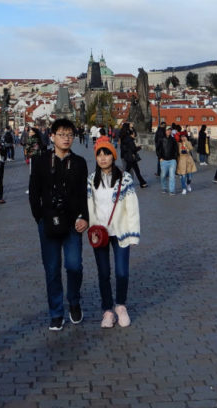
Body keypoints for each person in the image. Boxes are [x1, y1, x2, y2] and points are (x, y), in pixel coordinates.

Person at [29, 117, 89, 330]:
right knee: (52, 269)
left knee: (74, 266)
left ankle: (73, 301)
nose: (66, 138)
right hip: (48, 223)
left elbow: (84, 194)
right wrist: (40, 218)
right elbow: (34, 193)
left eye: (70, 135)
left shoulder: (80, 162)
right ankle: (56, 312)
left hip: (73, 222)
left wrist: (84, 217)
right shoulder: (40, 161)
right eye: (62, 135)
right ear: (52, 136)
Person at [87, 136, 140, 328]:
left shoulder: (124, 178)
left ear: (113, 156)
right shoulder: (92, 180)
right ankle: (107, 310)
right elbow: (89, 206)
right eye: (99, 154)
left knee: (122, 272)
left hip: (120, 232)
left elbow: (132, 207)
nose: (103, 158)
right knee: (103, 273)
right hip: (100, 233)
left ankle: (121, 306)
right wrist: (91, 227)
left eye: (106, 154)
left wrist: (133, 233)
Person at [119, 122, 147, 188]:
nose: (134, 134)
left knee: (129, 170)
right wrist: (140, 147)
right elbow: (133, 149)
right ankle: (142, 183)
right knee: (134, 171)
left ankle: (142, 182)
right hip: (131, 157)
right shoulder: (129, 139)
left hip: (127, 156)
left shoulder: (123, 137)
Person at [159, 124, 179, 195]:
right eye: (167, 130)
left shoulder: (173, 140)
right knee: (163, 175)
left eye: (170, 130)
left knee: (172, 176)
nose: (169, 131)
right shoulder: (161, 140)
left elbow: (176, 150)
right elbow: (158, 149)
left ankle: (171, 190)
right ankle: (164, 188)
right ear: (165, 131)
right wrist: (160, 157)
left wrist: (175, 158)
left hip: (172, 160)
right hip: (164, 160)